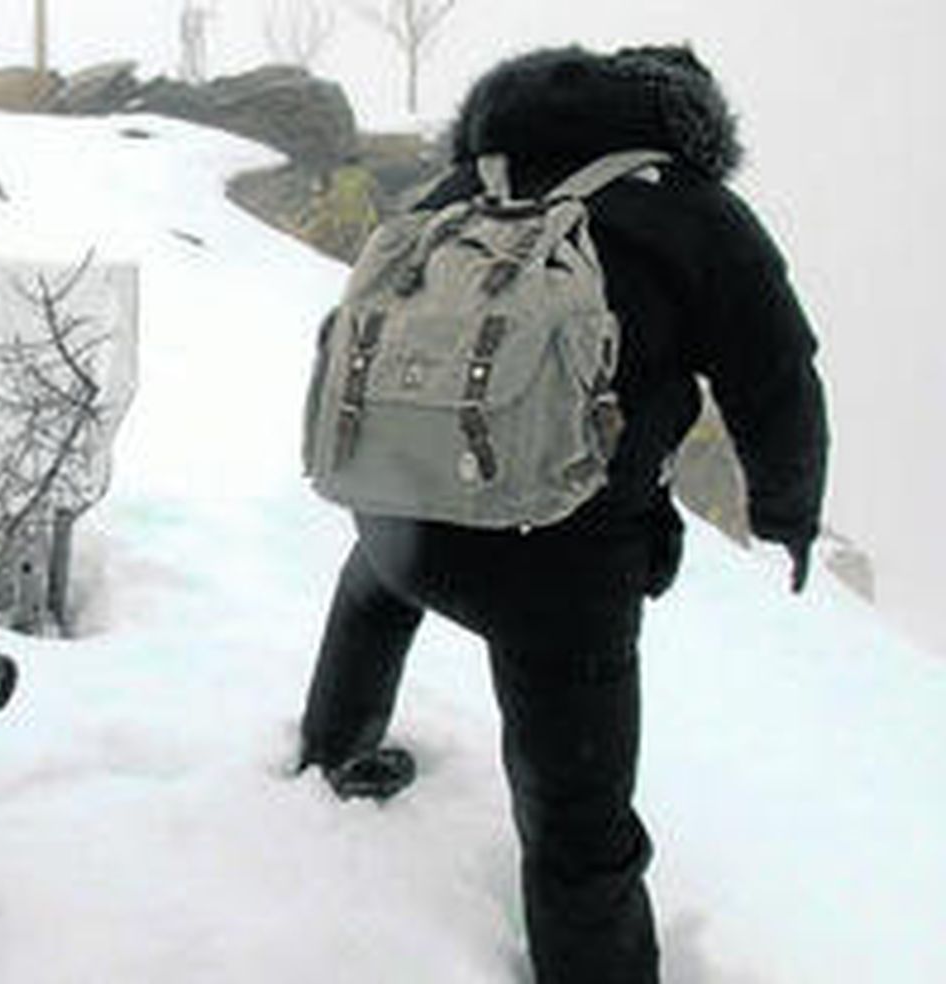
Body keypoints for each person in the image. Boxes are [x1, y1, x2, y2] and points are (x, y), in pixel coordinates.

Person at [295, 45, 829, 983]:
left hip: (401, 512)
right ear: (689, 124)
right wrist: (787, 513)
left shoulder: (466, 179)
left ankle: (330, 757)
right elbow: (776, 381)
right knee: (578, 823)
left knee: (371, 595)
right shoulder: (695, 212)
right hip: (556, 560)